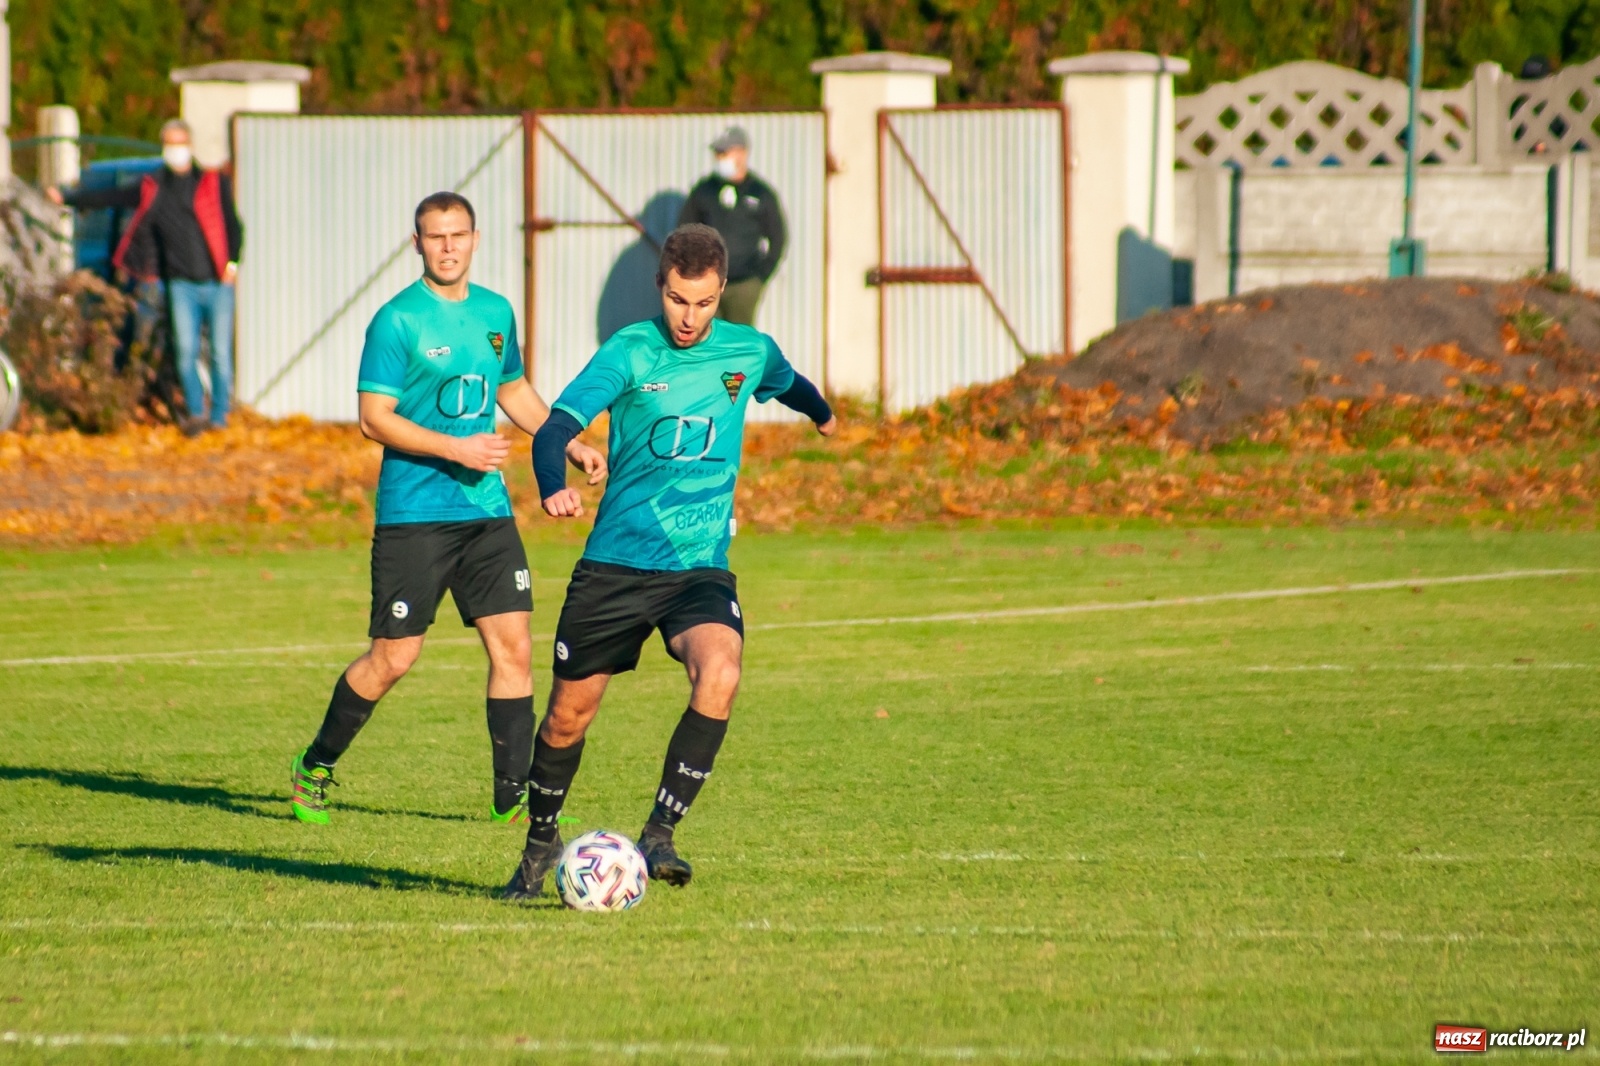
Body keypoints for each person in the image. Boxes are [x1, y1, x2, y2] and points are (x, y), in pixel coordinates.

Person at [501, 223, 835, 900]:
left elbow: (789, 382)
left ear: (721, 291)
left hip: (697, 568)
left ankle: (659, 833)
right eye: (679, 299)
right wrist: (551, 485)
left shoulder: (748, 350)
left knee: (722, 672)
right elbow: (557, 427)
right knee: (568, 717)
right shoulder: (629, 351)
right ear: (661, 286)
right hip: (616, 565)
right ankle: (539, 845)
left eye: (704, 302)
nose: (690, 317)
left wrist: (822, 414)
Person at [287, 191, 608, 828]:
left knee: (513, 647)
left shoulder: (495, 312)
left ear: (475, 238)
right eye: (435, 236)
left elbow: (514, 390)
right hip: (415, 513)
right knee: (394, 658)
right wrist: (456, 447)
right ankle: (315, 764)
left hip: (485, 510)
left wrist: (566, 442)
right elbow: (373, 418)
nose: (448, 246)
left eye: (458, 234)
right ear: (417, 244)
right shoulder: (396, 321)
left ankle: (511, 798)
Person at [48, 119, 242, 435]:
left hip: (217, 283)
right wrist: (68, 197)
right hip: (180, 285)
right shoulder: (154, 187)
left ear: (190, 145)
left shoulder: (211, 183)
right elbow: (111, 195)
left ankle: (220, 417)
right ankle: (197, 414)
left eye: (179, 143)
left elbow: (234, 226)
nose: (175, 150)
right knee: (185, 354)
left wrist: (232, 265)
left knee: (220, 353)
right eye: (170, 143)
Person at [676, 126, 787, 326]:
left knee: (739, 339)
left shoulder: (760, 193)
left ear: (741, 154)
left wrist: (760, 276)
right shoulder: (704, 191)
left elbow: (778, 237)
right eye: (717, 153)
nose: (719, 158)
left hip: (744, 284)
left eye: (724, 153)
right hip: (707, 284)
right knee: (707, 337)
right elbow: (684, 232)